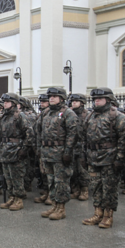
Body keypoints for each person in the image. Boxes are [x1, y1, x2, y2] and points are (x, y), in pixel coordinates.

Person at [81, 88, 125, 228]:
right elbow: (84, 137)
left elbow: (124, 140)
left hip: (109, 159)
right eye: (95, 99)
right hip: (93, 158)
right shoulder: (90, 116)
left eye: (100, 99)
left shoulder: (117, 116)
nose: (96, 101)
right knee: (95, 186)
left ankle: (108, 215)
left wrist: (119, 158)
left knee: (109, 189)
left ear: (108, 99)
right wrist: (84, 155)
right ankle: (97, 213)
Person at [36, 87, 79, 220]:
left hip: (60, 154)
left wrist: (67, 152)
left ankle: (61, 208)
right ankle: (54, 205)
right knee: (51, 181)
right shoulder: (46, 113)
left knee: (61, 182)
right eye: (50, 96)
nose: (51, 98)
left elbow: (73, 134)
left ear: (62, 98)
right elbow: (39, 131)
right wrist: (39, 150)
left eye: (54, 96)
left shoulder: (68, 113)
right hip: (47, 153)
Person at [0, 92, 29, 211]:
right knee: (8, 177)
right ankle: (12, 197)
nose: (5, 104)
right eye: (4, 102)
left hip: (16, 150)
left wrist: (24, 149)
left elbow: (29, 133)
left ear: (14, 103)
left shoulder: (19, 116)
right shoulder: (3, 116)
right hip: (5, 150)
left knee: (17, 176)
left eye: (7, 102)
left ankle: (19, 199)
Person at [69, 93, 91, 201]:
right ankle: (75, 189)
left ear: (82, 103)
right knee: (72, 170)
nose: (74, 103)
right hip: (73, 145)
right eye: (73, 101)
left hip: (82, 145)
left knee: (82, 170)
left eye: (76, 101)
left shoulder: (87, 115)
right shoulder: (70, 114)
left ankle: (84, 190)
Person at [34, 94, 51, 204]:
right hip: (43, 148)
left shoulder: (62, 114)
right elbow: (38, 132)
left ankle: (52, 196)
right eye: (41, 102)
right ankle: (46, 192)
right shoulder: (42, 114)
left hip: (55, 150)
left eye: (45, 102)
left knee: (53, 176)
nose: (42, 104)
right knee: (44, 173)